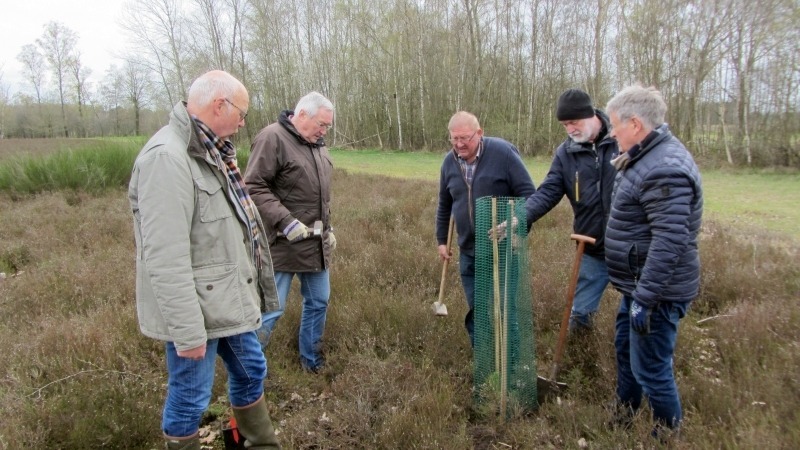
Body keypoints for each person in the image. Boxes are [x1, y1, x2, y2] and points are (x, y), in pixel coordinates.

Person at [128, 70, 281, 449]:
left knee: (251, 370)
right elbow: (164, 256)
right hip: (196, 310)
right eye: (241, 113)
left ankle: (258, 443)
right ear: (220, 105)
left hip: (227, 300)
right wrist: (187, 331)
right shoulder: (167, 158)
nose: (243, 122)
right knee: (190, 395)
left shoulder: (211, 150)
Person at [604, 84, 703, 440]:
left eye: (615, 125)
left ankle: (666, 435)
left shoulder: (665, 168)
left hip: (657, 292)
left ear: (634, 124)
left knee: (652, 369)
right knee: (626, 352)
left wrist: (645, 300)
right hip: (638, 285)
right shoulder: (645, 157)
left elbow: (670, 240)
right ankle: (624, 413)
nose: (611, 132)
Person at [244, 91, 335, 374]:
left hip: (315, 244)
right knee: (271, 311)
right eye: (321, 124)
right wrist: (286, 221)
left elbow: (317, 195)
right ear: (302, 115)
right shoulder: (272, 138)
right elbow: (253, 186)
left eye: (328, 126)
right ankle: (248, 373)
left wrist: (328, 229)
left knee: (318, 302)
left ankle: (312, 362)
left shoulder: (317, 145)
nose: (324, 131)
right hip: (281, 245)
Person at [436, 111, 536, 347]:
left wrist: (517, 227)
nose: (459, 144)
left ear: (479, 133)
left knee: (503, 311)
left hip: (502, 251)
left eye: (465, 138)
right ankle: (483, 358)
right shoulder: (449, 162)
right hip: (468, 251)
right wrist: (442, 239)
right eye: (454, 139)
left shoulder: (503, 154)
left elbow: (530, 196)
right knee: (478, 310)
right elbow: (444, 203)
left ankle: (508, 362)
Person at [524, 88, 618, 332]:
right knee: (581, 313)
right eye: (565, 125)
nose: (570, 130)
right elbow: (548, 191)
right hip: (591, 248)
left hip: (629, 249)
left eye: (573, 122)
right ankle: (580, 358)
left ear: (591, 115)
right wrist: (520, 217)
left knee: (635, 317)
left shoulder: (621, 142)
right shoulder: (566, 153)